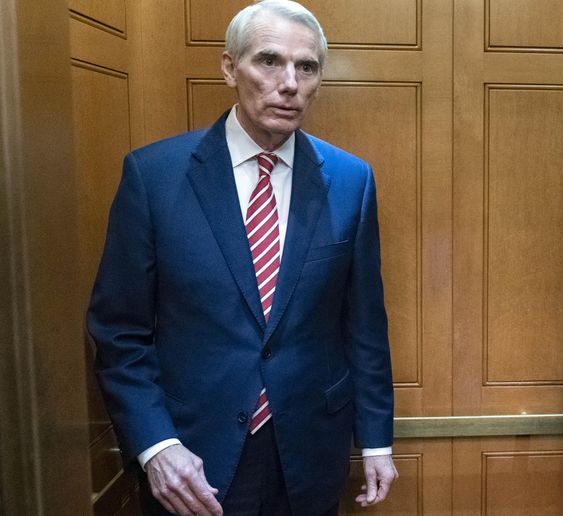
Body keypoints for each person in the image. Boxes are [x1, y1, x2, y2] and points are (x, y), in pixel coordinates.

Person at [87, 1, 397, 514]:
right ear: (230, 67)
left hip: (309, 453)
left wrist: (377, 441)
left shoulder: (350, 180)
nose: (290, 83)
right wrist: (157, 446)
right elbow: (120, 332)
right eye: (269, 61)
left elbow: (363, 324)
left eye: (307, 66)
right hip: (190, 458)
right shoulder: (154, 176)